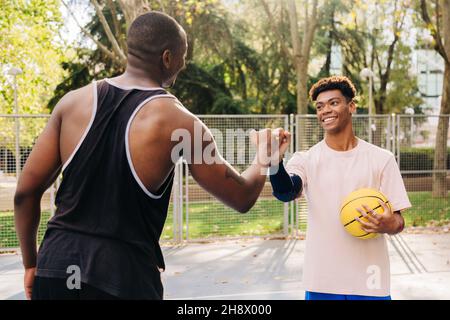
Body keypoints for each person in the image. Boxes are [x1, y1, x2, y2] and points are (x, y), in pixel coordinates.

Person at [14, 11, 290, 300]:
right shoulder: (181, 123)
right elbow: (241, 196)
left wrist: (31, 264)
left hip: (57, 266)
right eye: (183, 57)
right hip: (121, 276)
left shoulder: (71, 103)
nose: (183, 65)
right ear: (167, 57)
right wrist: (265, 156)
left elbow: (25, 193)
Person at [270, 76, 411, 300]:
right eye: (320, 106)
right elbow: (285, 192)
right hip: (322, 280)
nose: (326, 110)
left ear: (351, 106)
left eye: (334, 103)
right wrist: (274, 162)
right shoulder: (306, 159)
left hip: (370, 281)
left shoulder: (381, 159)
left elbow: (398, 221)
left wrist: (388, 223)